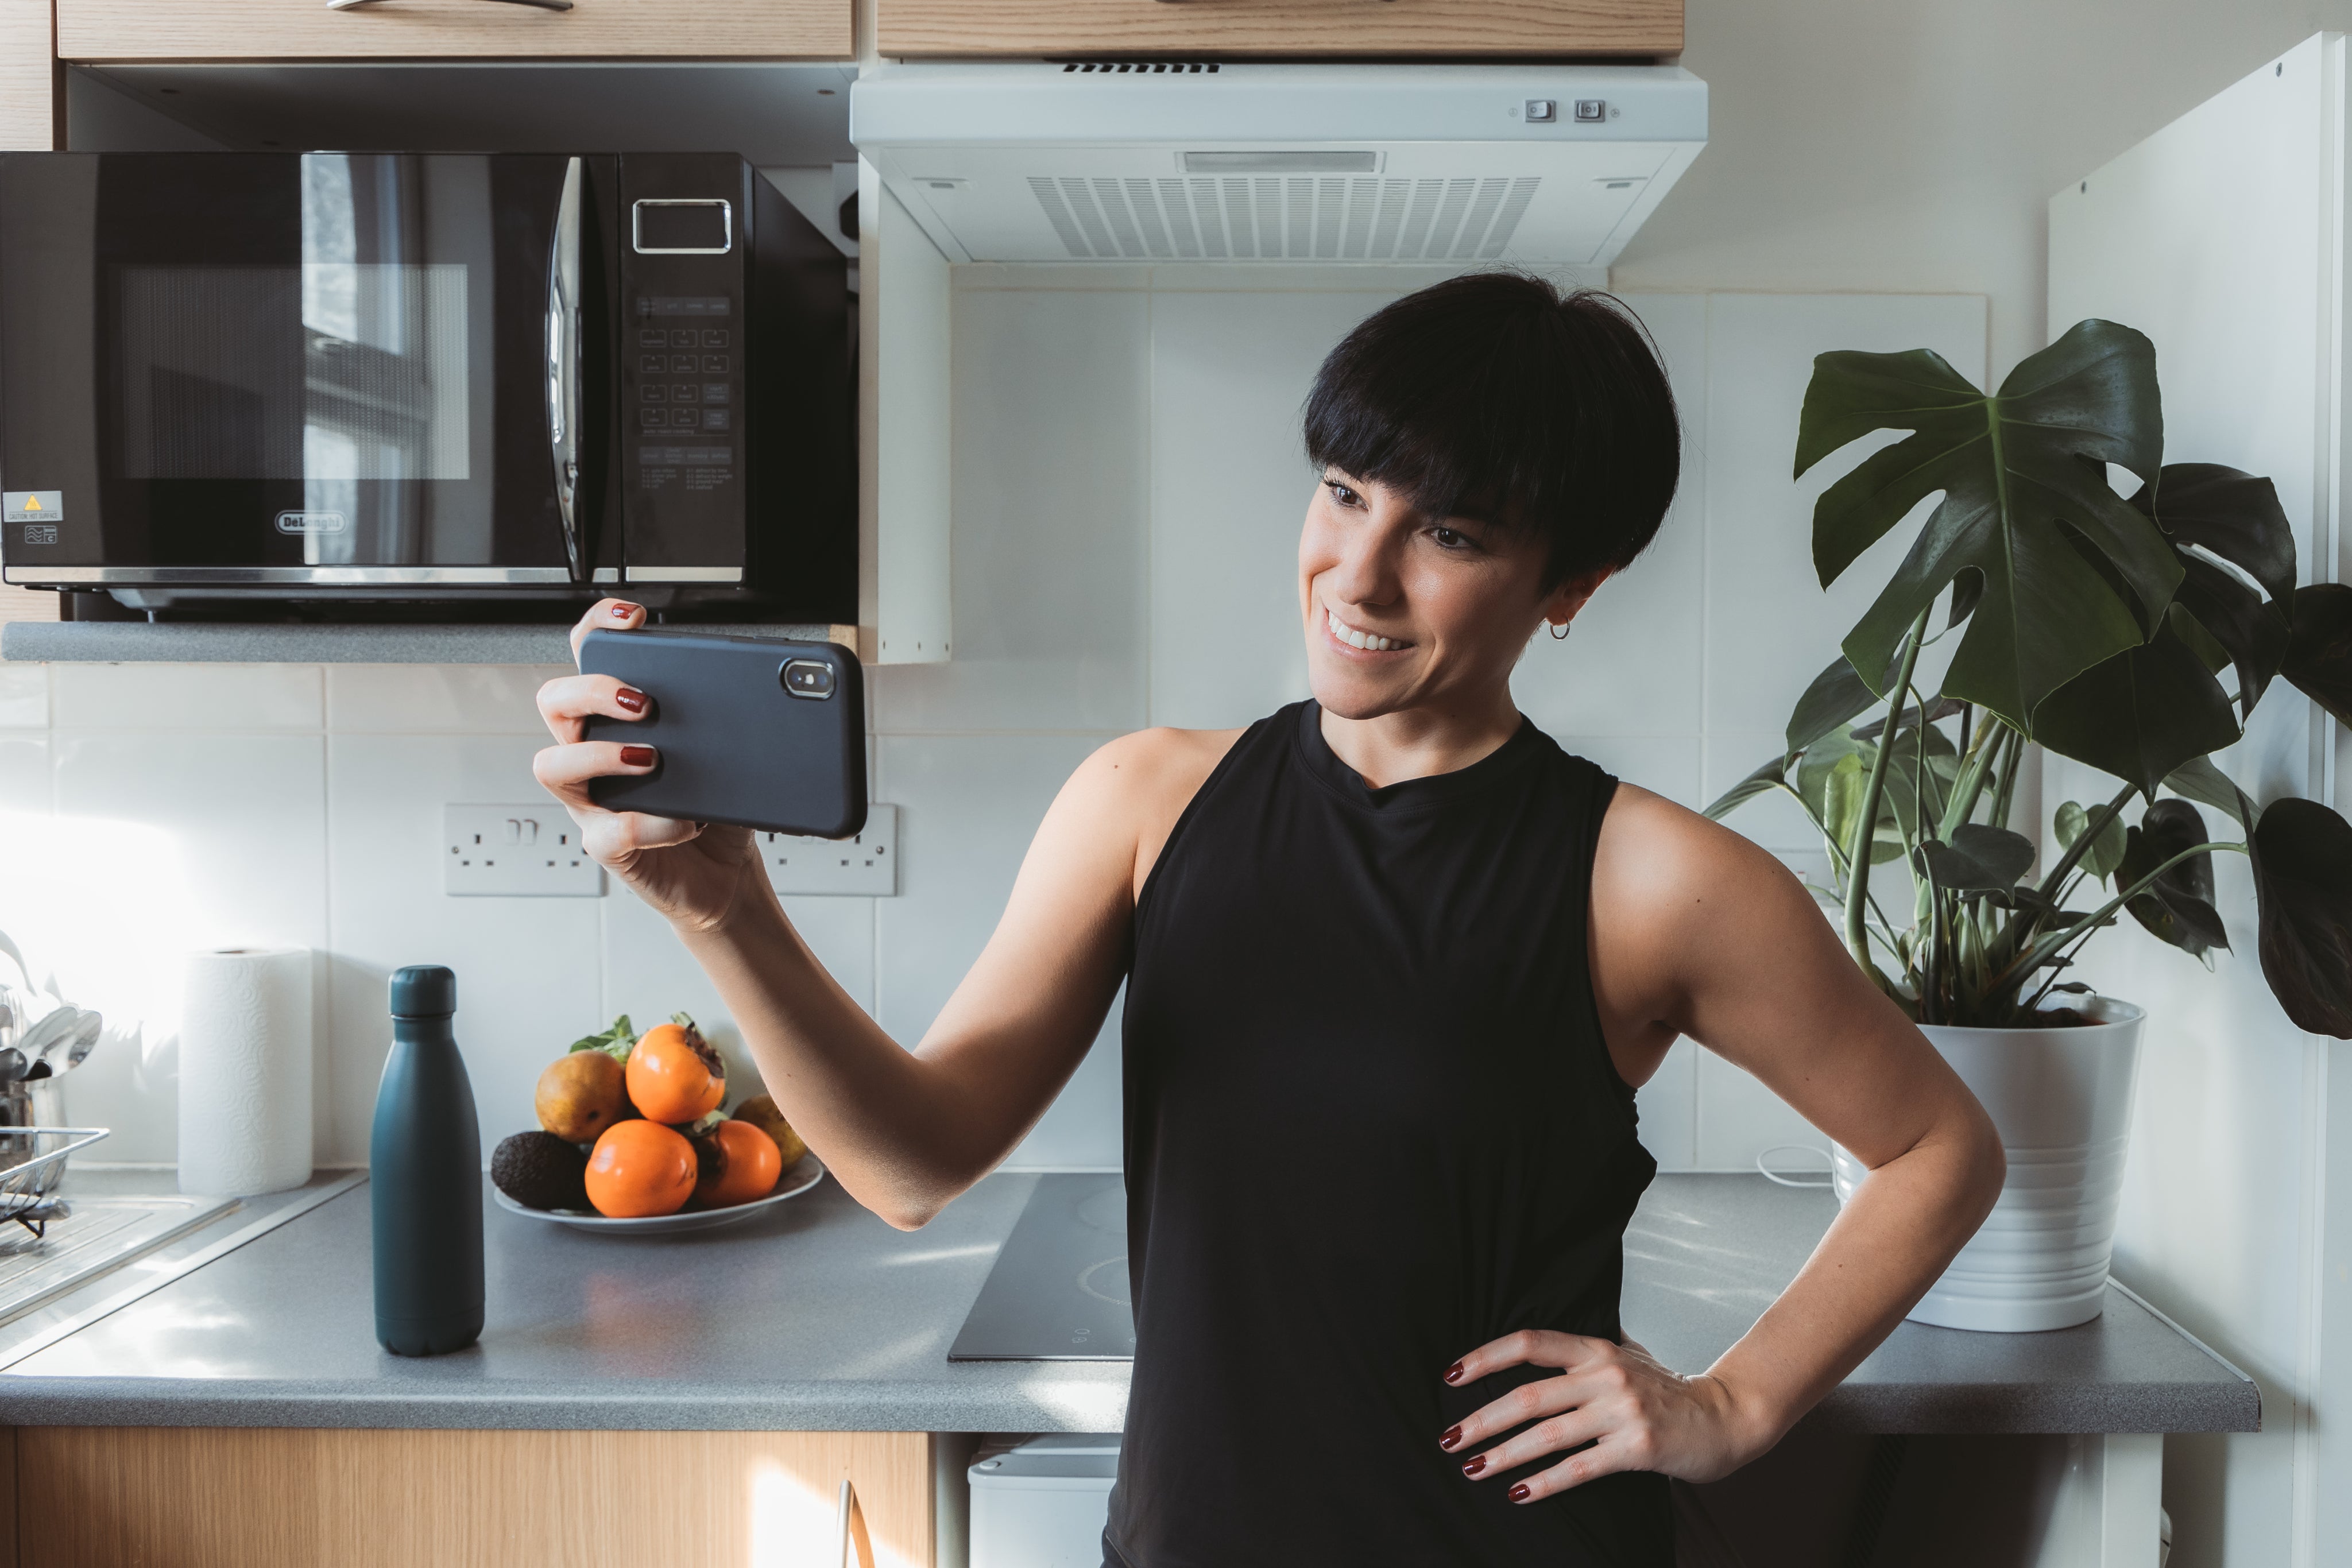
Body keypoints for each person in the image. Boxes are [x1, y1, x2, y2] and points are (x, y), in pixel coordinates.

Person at [533, 272, 2005, 1566]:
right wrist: (724, 907)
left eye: (1449, 533)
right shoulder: (1141, 800)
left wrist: (1732, 1404)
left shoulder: (1651, 880)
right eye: (1345, 493)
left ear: (1571, 583)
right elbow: (910, 1163)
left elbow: (1938, 1146)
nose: (1358, 574)